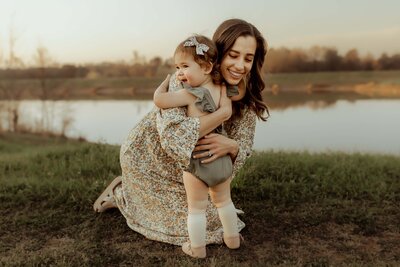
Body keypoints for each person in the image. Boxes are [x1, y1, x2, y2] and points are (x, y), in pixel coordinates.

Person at [93, 18, 269, 255]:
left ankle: (137, 196)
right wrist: (221, 115)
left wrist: (233, 146)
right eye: (233, 55)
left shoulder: (242, 95)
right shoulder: (187, 77)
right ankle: (123, 191)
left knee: (213, 217)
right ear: (215, 57)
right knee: (197, 224)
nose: (240, 65)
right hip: (151, 160)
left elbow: (244, 146)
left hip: (196, 166)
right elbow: (173, 139)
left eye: (248, 58)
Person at [153, 35, 241, 258]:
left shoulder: (189, 94)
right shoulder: (223, 89)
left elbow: (160, 102)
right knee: (224, 202)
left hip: (197, 159)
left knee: (197, 209)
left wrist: (161, 88)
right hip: (220, 157)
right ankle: (232, 239)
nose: (179, 73)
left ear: (207, 66)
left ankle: (197, 249)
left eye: (184, 67)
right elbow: (226, 111)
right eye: (177, 67)